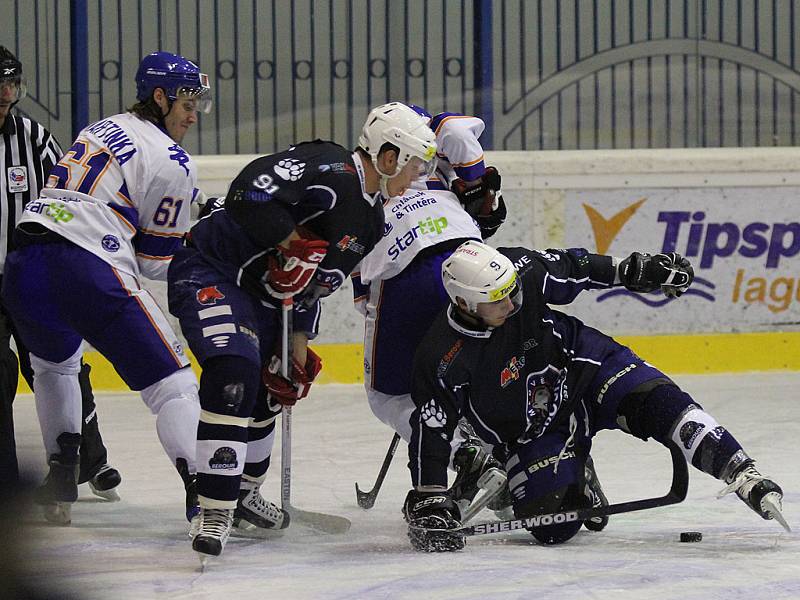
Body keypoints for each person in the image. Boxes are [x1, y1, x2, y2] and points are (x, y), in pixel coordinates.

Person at [167, 101, 438, 558]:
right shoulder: (329, 166)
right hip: (213, 268)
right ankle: (214, 507)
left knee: (276, 387)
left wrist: (296, 345)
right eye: (415, 165)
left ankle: (245, 493)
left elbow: (313, 287)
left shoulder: (371, 224)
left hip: (266, 299)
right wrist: (290, 241)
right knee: (233, 370)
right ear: (388, 157)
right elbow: (247, 193)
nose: (418, 177)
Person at [403, 240, 787, 551]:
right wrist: (430, 496)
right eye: (497, 301)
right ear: (465, 304)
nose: (511, 305)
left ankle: (743, 472)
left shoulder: (521, 271)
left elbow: (577, 268)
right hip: (536, 429)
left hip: (583, 363)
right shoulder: (441, 358)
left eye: (512, 293)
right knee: (555, 526)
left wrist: (639, 271)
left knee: (658, 402)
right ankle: (576, 468)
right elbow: (432, 429)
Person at [0, 51, 211, 526]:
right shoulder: (175, 158)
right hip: (85, 264)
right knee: (173, 385)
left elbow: (115, 191)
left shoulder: (101, 127)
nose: (194, 114)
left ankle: (60, 483)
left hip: (23, 264)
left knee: (55, 366)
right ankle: (205, 494)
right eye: (187, 102)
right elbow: (154, 261)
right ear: (159, 98)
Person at [351, 104, 518, 518]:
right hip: (470, 263)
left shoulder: (365, 178)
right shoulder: (438, 159)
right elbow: (459, 131)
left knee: (389, 397)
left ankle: (465, 457)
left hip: (406, 277)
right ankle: (523, 473)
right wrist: (478, 185)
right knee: (479, 377)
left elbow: (358, 289)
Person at [0, 46, 120, 502]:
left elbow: (68, 193)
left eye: (12, 84)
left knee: (62, 364)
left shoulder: (32, 137)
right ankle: (6, 481)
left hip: (31, 273)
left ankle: (90, 460)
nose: (7, 94)